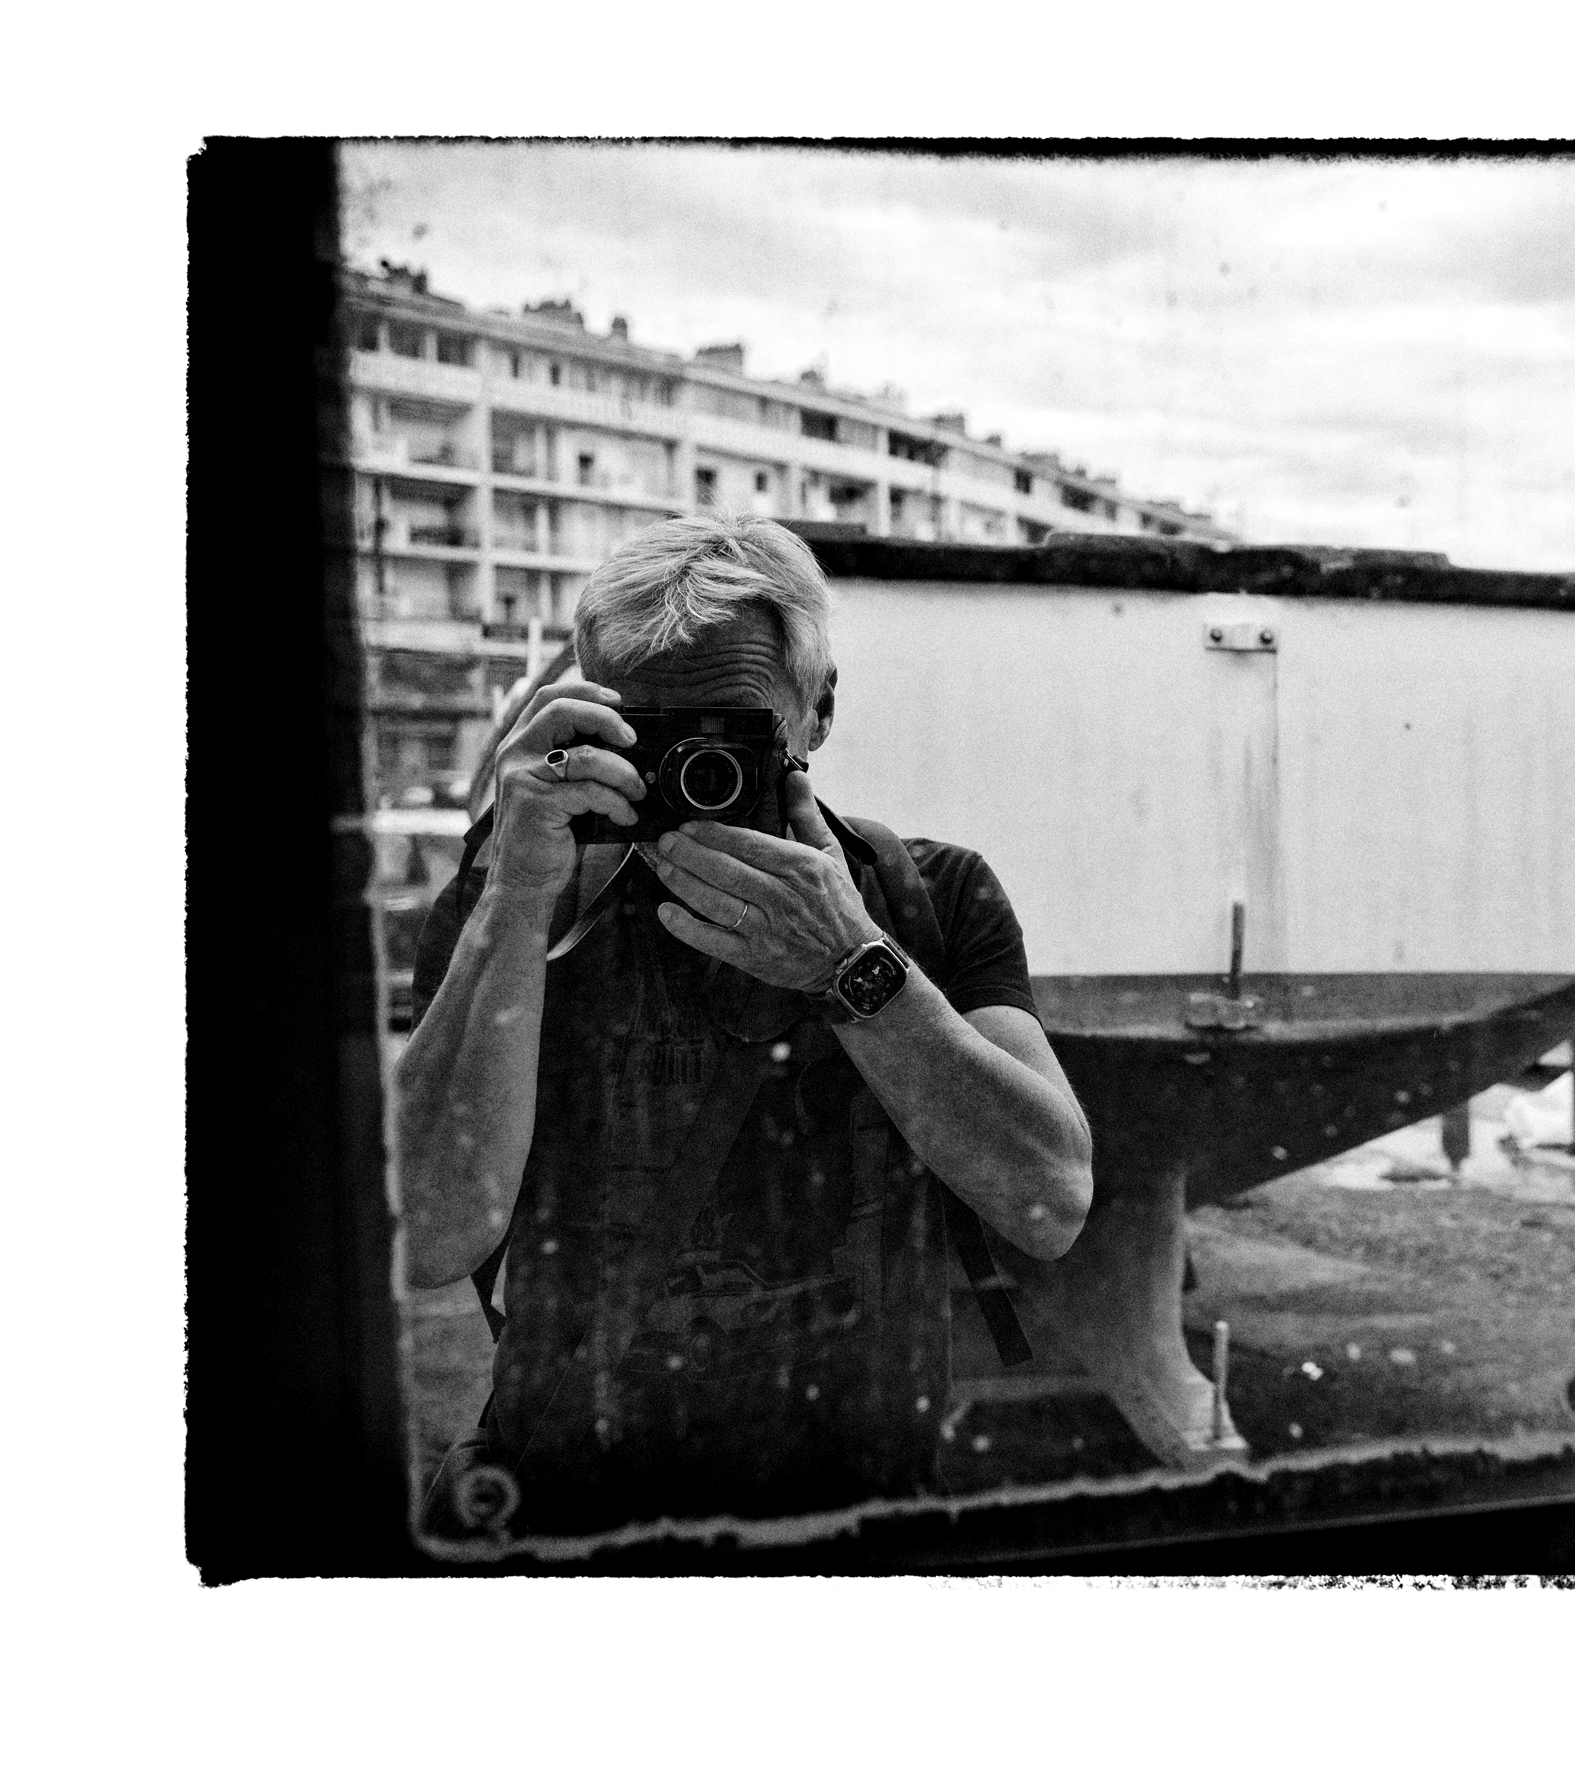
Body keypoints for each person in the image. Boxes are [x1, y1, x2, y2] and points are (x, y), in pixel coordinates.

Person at [398, 512, 1092, 1534]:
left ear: (818, 712)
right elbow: (426, 1236)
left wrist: (852, 963)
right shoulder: (513, 907)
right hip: (574, 1507)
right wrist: (515, 890)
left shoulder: (929, 897)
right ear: (583, 717)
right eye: (648, 736)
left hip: (856, 1514)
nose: (693, 772)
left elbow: (1050, 1202)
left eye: (731, 734)